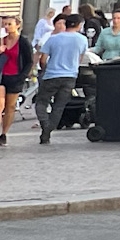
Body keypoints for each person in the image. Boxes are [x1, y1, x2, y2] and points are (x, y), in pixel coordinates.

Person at [35, 12, 91, 143]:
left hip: (51, 75)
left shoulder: (54, 39)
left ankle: (45, 123)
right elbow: (80, 58)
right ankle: (48, 130)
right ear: (79, 25)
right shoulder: (82, 39)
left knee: (41, 102)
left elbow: (43, 59)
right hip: (70, 76)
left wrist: (45, 69)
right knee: (59, 106)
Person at [0, 16, 32, 147]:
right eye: (4, 24)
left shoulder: (23, 42)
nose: (6, 27)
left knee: (10, 107)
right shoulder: (0, 41)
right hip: (0, 76)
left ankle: (4, 133)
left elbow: (29, 61)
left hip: (15, 76)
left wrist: (22, 76)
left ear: (17, 25)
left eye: (9, 24)